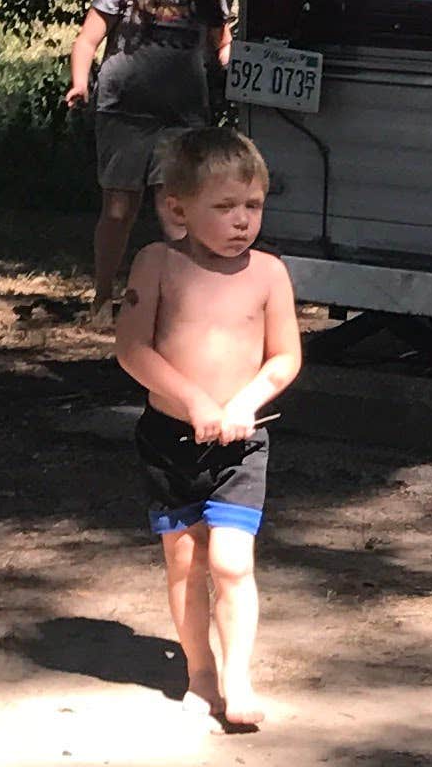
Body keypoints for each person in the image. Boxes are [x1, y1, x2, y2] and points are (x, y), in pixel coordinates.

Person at [112, 120, 300, 730]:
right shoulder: (157, 263)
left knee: (231, 562)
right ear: (177, 208)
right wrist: (192, 399)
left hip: (243, 443)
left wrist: (245, 401)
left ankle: (238, 678)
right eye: (224, 207)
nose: (242, 220)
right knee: (185, 563)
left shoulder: (269, 273)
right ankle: (199, 672)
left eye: (253, 205)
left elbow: (285, 358)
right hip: (170, 440)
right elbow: (132, 349)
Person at [67, 0, 231, 320]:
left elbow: (222, 43)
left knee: (176, 211)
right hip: (124, 112)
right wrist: (80, 83)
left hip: (182, 117)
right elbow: (87, 39)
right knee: (119, 209)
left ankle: (182, 304)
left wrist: (238, 70)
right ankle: (103, 298)